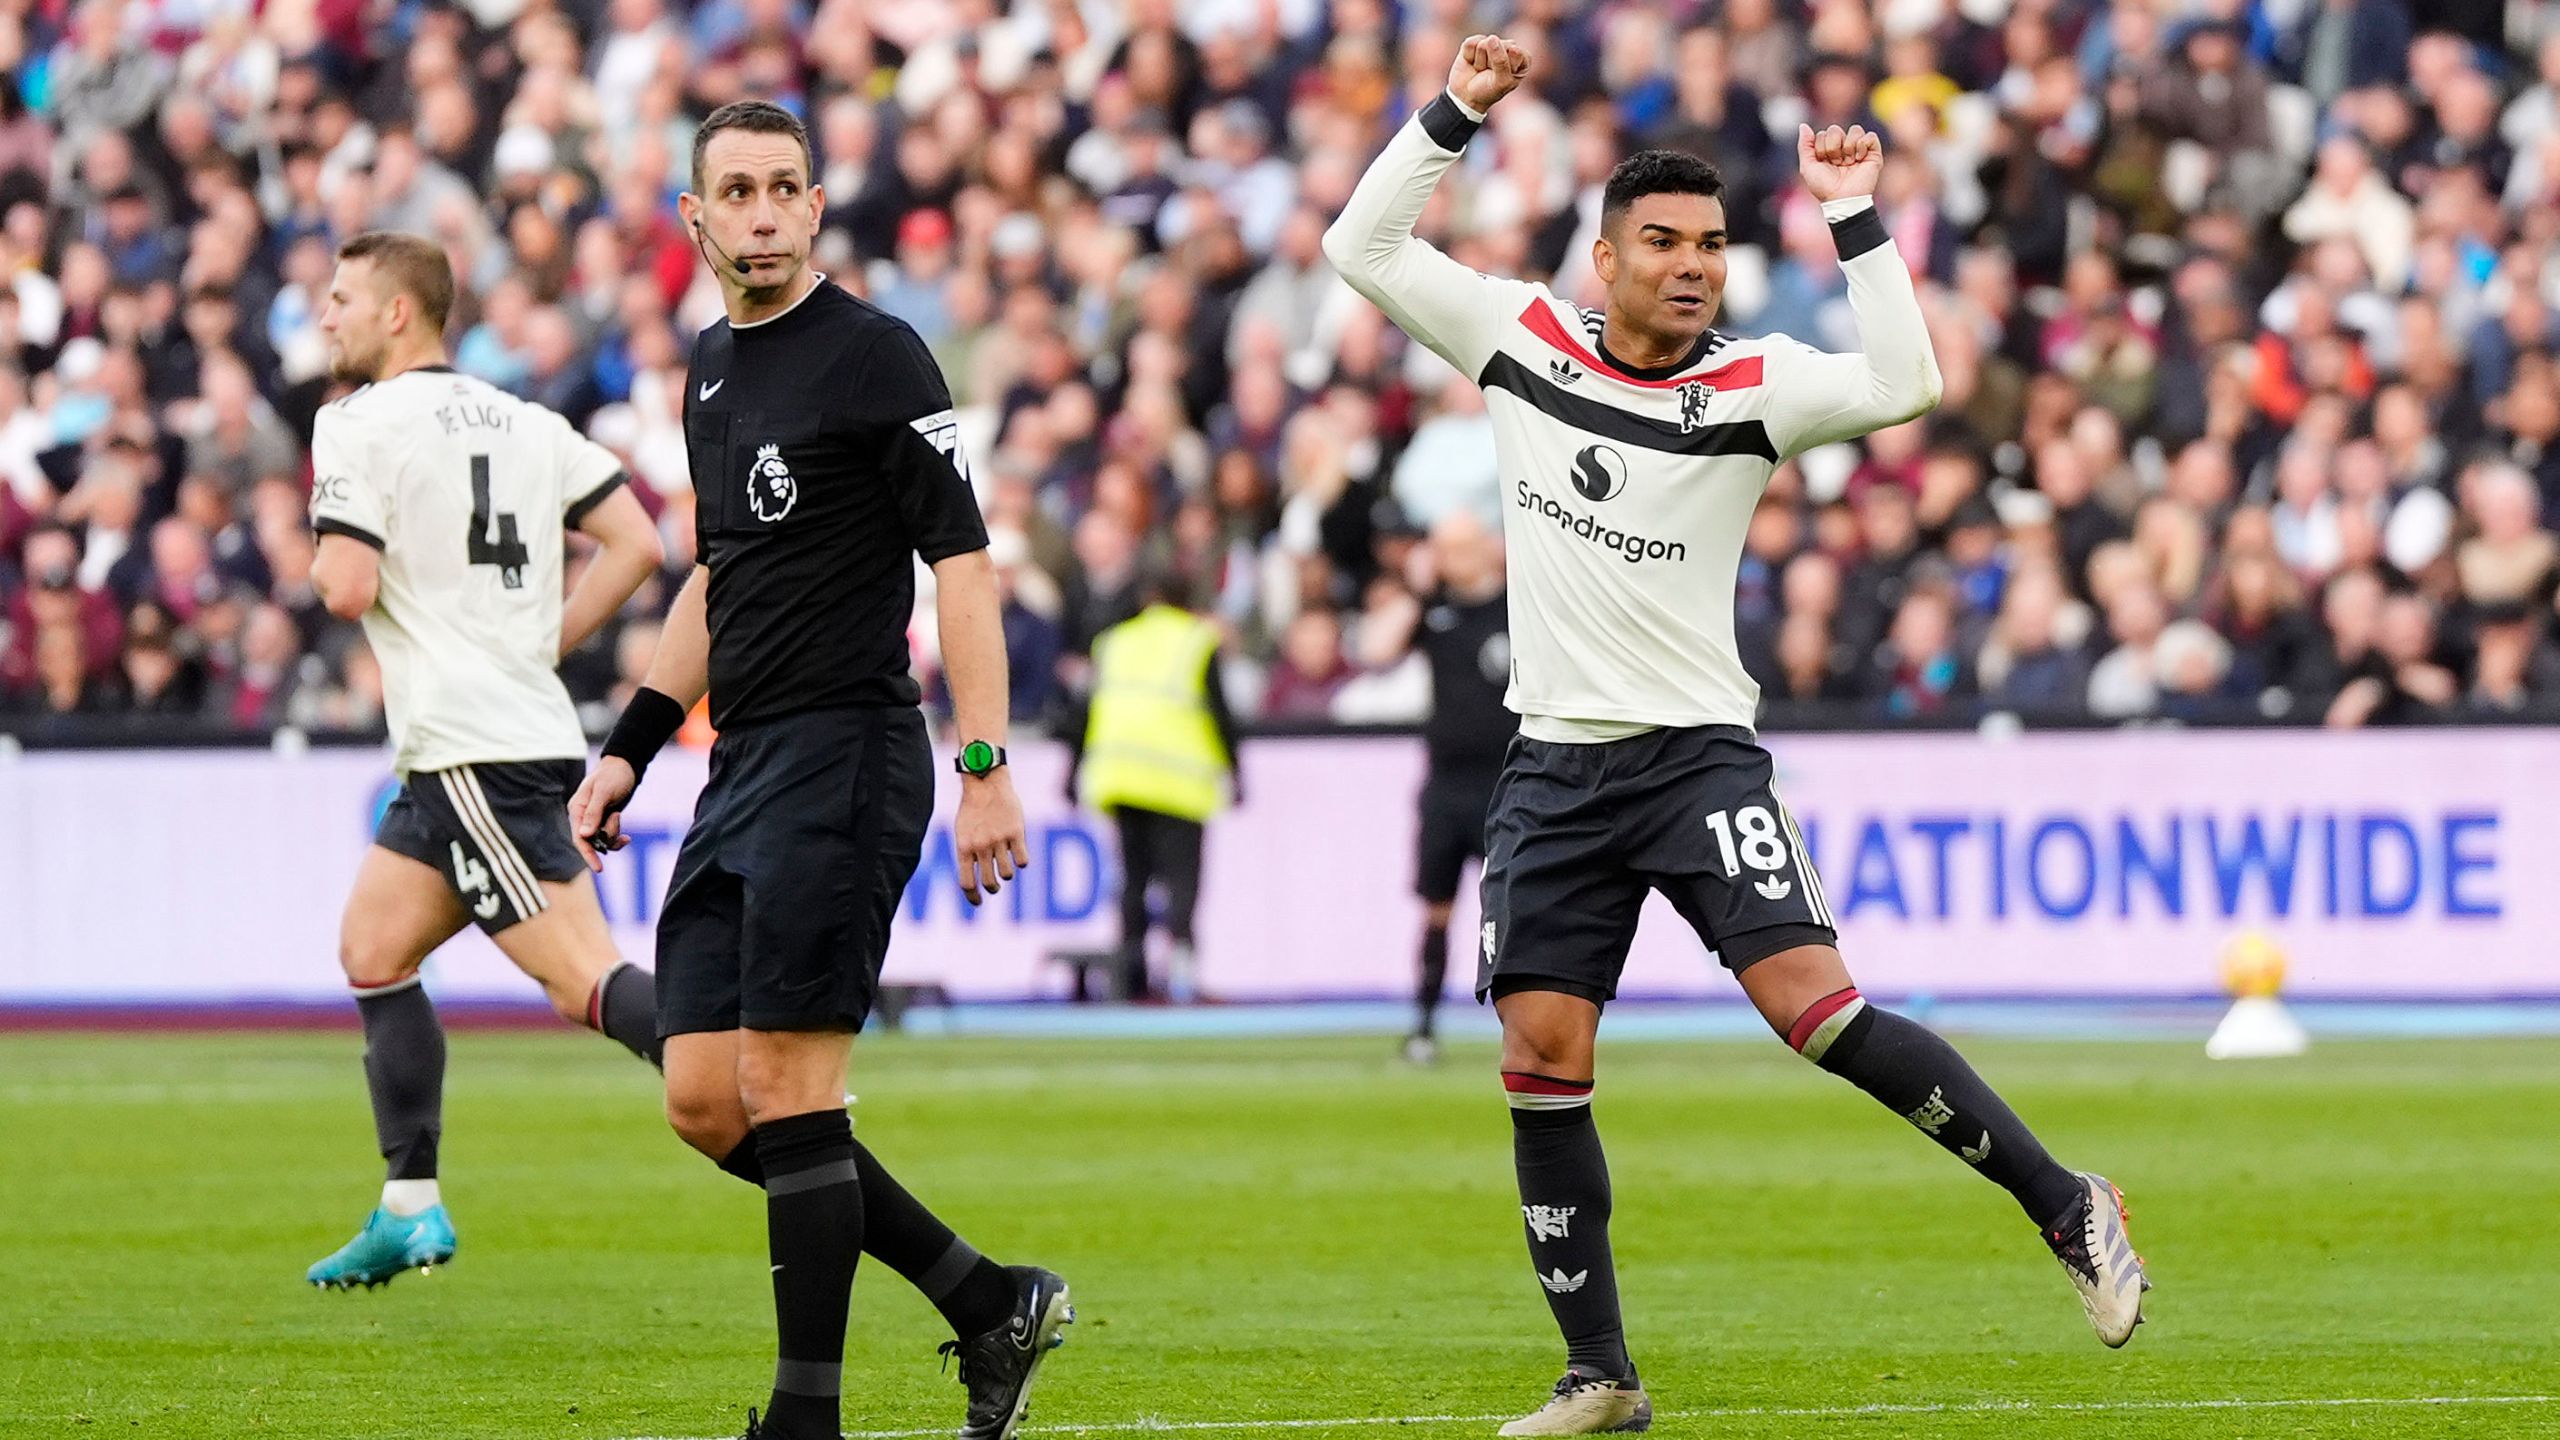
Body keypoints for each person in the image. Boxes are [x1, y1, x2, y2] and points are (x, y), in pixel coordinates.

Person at [1325, 37, 2150, 1436]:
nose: (1693, 263)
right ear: (1604, 258)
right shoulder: (1520, 341)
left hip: (1698, 755)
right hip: (1555, 762)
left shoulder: (1754, 384)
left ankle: (2066, 1203)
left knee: (1815, 1013)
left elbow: (1908, 382)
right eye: (1662, 241)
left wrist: (1853, 217)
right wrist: (1458, 113)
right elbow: (1364, 242)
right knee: (1539, 1050)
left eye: (1710, 241)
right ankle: (1601, 1376)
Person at [567, 101, 1070, 1440]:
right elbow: (716, 580)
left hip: (851, 750)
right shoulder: (710, 368)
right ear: (697, 219)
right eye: (736, 191)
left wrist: (985, 765)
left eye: (785, 187)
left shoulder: (876, 355)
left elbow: (963, 564)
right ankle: (986, 1299)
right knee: (701, 1095)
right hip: (741, 762)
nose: (764, 212)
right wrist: (625, 747)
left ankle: (806, 1419)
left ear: (814, 204)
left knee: (792, 1090)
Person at [300, 231, 669, 1289]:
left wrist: (319, 536)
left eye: (341, 299)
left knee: (583, 982)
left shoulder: (355, 423)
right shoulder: (526, 417)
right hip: (483, 739)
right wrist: (538, 641)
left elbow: (346, 589)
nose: (326, 317)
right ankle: (408, 1205)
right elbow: (639, 542)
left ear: (398, 314)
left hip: (475, 748)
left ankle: (750, 1068)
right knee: (373, 948)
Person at [1066, 571, 1243, 1002]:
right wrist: (1237, 772)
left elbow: (1083, 713)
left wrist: (1072, 772)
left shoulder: (1114, 642)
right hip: (1178, 781)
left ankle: (1132, 980)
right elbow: (1221, 712)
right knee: (1182, 884)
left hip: (1122, 777)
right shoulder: (1196, 640)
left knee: (1133, 882)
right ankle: (1182, 980)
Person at [1398, 510, 1516, 1063]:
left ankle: (1524, 1027)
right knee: (1436, 909)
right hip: (1447, 785)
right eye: (1445, 549)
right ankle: (1423, 1024)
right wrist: (1416, 590)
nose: (1455, 559)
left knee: (1517, 906)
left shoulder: (1520, 606)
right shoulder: (1433, 612)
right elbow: (1377, 649)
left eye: (1464, 547)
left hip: (1511, 782)